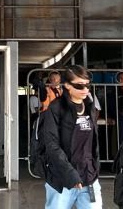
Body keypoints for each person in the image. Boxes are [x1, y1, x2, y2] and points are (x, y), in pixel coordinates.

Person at [40, 65, 103, 209]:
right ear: (67, 85)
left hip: (89, 177)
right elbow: (52, 145)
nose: (85, 90)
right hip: (62, 179)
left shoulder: (90, 107)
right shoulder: (56, 108)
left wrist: (95, 168)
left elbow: (93, 143)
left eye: (87, 85)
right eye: (79, 86)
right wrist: (70, 175)